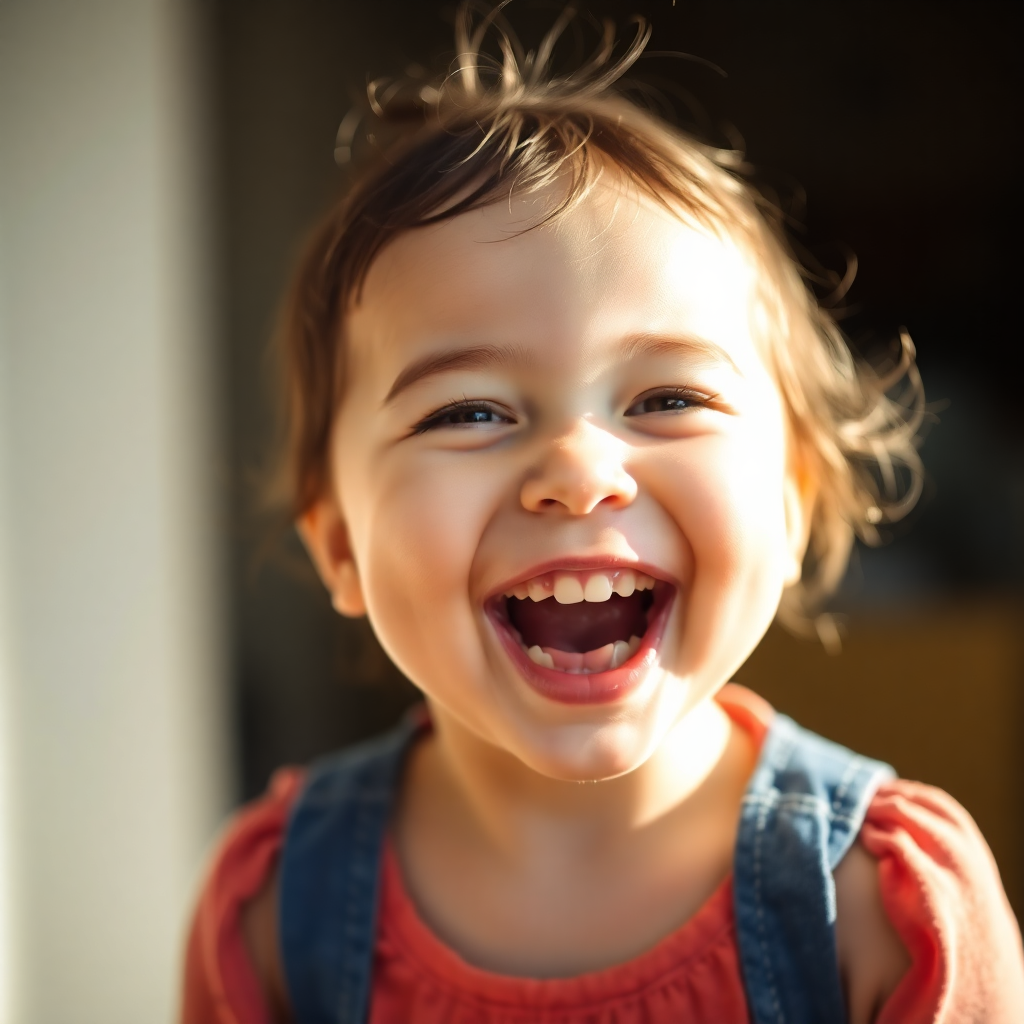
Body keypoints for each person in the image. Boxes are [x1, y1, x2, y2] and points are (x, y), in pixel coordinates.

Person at [180, 7, 1024, 1022]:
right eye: (468, 411)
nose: (579, 472)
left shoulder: (883, 913)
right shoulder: (275, 916)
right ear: (342, 545)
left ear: (793, 503)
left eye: (666, 398)